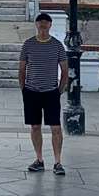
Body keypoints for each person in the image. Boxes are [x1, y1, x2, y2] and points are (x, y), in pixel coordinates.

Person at [19, 11, 69, 175]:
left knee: (56, 127)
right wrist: (24, 89)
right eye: (40, 21)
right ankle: (39, 159)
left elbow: (65, 70)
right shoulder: (28, 45)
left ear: (50, 25)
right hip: (32, 92)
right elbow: (22, 68)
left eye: (46, 22)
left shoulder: (57, 46)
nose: (43, 24)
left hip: (51, 93)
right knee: (35, 126)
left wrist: (59, 91)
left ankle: (58, 162)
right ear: (36, 24)